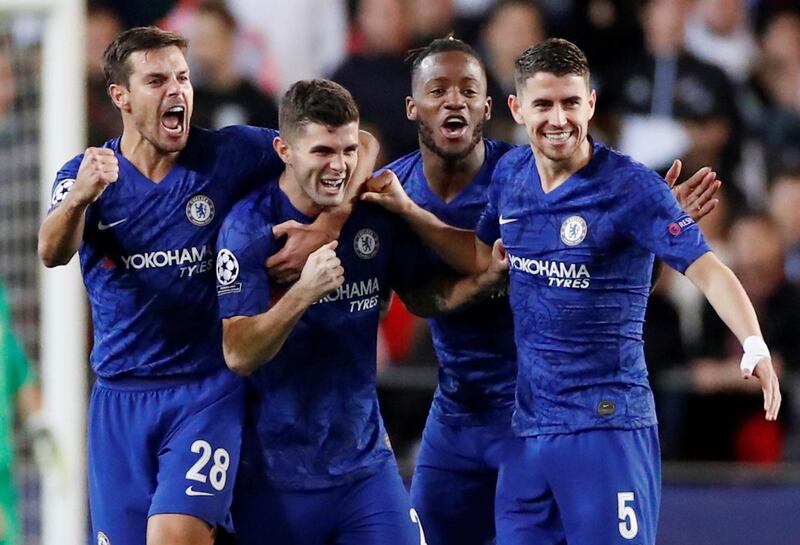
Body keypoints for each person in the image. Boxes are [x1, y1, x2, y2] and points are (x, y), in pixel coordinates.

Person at [363, 38, 780, 545]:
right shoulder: (511, 176)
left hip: (607, 425)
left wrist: (753, 344)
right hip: (530, 432)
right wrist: (411, 214)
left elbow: (709, 270)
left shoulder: (630, 187)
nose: (557, 119)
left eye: (569, 103)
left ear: (591, 104)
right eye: (542, 104)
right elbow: (478, 255)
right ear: (517, 109)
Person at [37, 26, 342, 545]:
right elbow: (51, 251)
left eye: (182, 77)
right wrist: (79, 200)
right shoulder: (87, 176)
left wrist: (329, 226)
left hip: (204, 393)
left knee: (175, 537)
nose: (177, 90)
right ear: (122, 97)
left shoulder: (229, 154)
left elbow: (349, 144)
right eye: (157, 80)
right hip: (119, 400)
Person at [214, 79, 434, 545]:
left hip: (363, 469)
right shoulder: (250, 229)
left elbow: (408, 295)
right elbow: (237, 353)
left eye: (347, 150)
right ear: (284, 150)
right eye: (322, 152)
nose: (339, 166)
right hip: (273, 479)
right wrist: (303, 293)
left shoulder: (370, 214)